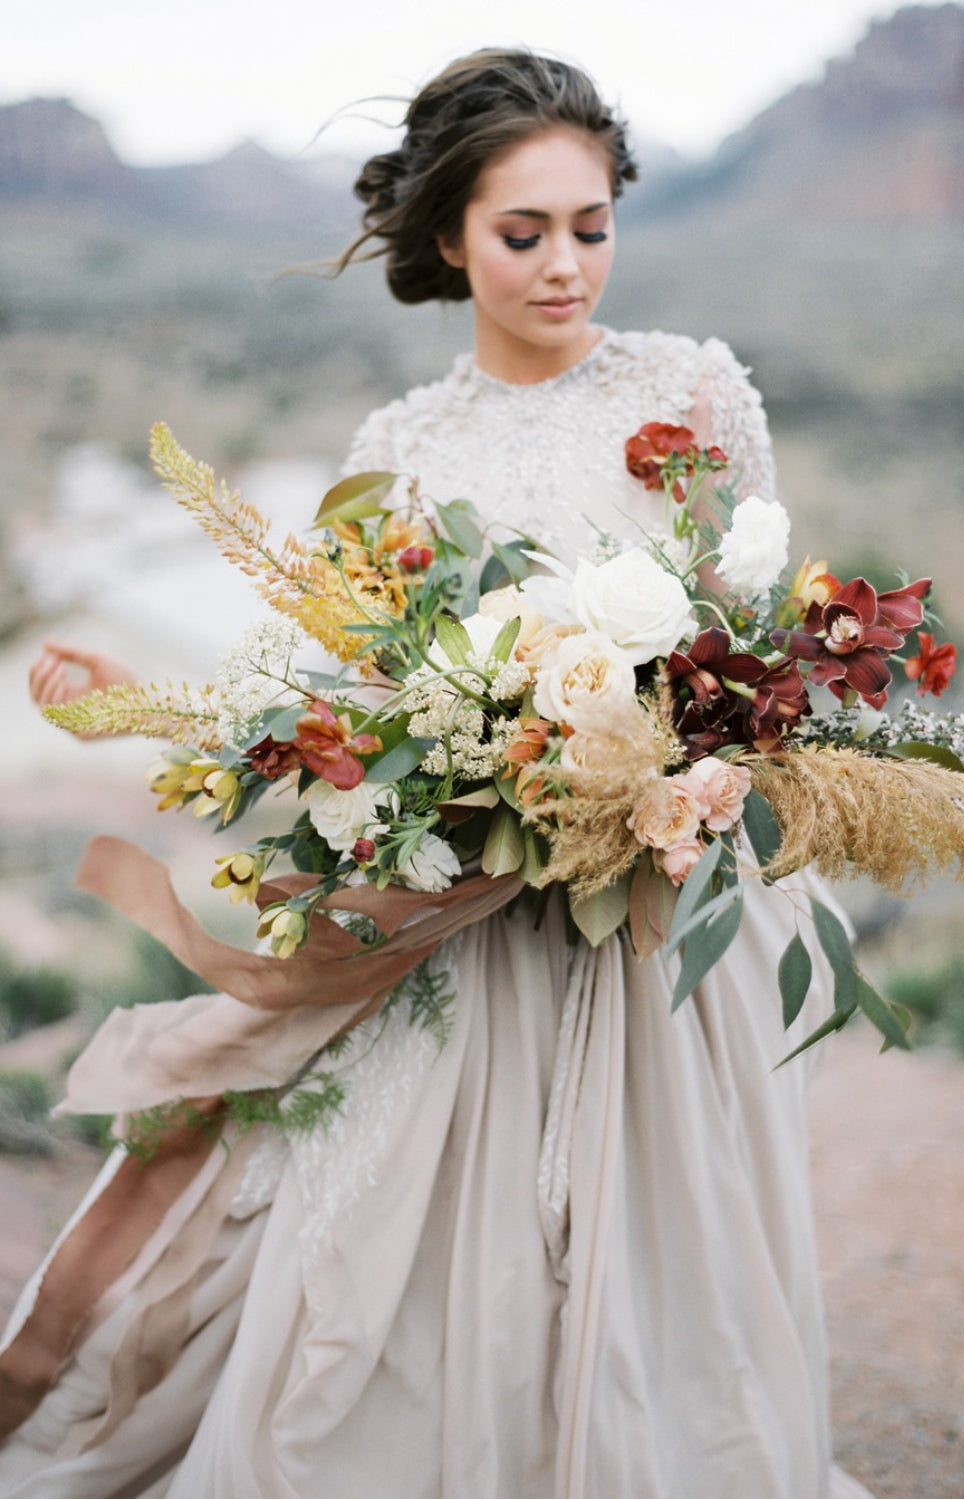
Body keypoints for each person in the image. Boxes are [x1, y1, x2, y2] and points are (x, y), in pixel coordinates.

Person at [4, 49, 864, 1499]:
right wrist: (134, 701)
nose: (564, 264)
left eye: (591, 226)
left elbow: (750, 631)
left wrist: (692, 750)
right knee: (409, 1236)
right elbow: (334, 698)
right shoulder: (402, 449)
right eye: (524, 233)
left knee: (663, 1233)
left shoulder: (698, 392)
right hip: (466, 916)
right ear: (452, 233)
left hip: (656, 907)